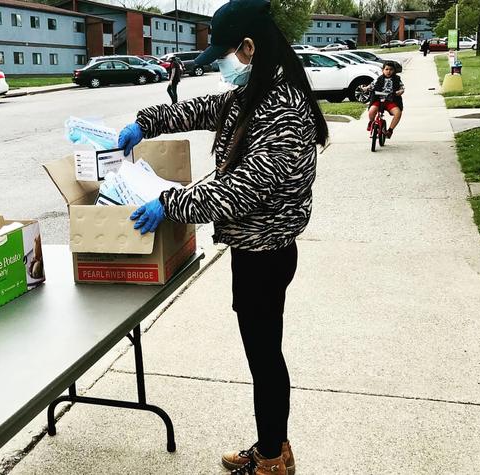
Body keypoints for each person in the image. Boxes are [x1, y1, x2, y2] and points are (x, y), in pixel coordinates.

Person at [117, 0, 328, 473]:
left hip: (266, 251)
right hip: (254, 248)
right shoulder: (256, 90)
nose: (221, 67)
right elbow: (205, 108)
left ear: (249, 47)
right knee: (262, 354)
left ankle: (272, 459)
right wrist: (147, 122)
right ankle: (274, 445)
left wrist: (170, 203)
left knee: (265, 359)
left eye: (225, 54)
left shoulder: (282, 108)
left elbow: (241, 189)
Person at [363, 61, 405, 138]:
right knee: (371, 111)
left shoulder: (397, 79)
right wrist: (366, 88)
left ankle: (390, 131)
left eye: (391, 69)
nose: (388, 71)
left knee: (398, 113)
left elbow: (401, 88)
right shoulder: (379, 79)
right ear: (383, 70)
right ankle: (371, 122)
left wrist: (400, 91)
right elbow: (371, 86)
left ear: (394, 71)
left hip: (391, 101)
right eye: (386, 69)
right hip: (378, 100)